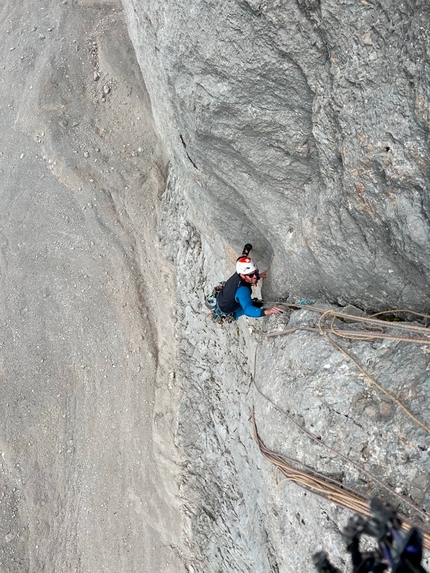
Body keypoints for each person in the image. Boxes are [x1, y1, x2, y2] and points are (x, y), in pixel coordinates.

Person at [216, 255, 284, 320]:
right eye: (251, 275)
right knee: (256, 305)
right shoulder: (243, 290)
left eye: (256, 273)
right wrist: (269, 311)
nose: (255, 276)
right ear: (242, 275)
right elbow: (248, 310)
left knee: (255, 303)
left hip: (222, 298)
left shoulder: (240, 271)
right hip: (228, 309)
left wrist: (259, 276)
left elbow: (241, 259)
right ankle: (236, 313)